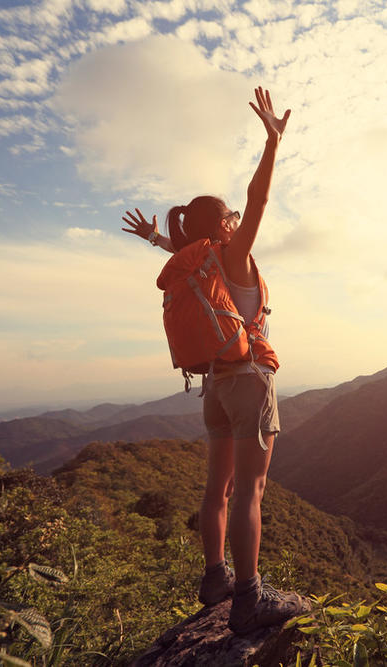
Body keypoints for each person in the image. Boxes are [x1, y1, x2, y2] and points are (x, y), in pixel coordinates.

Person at [121, 86, 310, 634]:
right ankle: (250, 597)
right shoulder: (234, 255)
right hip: (250, 382)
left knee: (217, 489)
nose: (236, 221)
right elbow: (259, 201)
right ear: (225, 226)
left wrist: (158, 236)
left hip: (215, 389)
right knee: (250, 490)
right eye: (230, 218)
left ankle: (215, 577)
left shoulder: (195, 262)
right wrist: (272, 143)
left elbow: (181, 250)